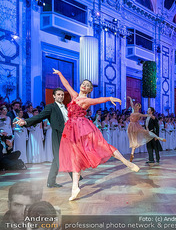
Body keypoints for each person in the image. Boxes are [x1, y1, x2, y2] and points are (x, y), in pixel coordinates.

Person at [53, 69, 139, 201]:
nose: (85, 85)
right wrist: (60, 73)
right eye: (84, 83)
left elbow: (99, 100)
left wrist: (109, 98)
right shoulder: (74, 95)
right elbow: (66, 85)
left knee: (103, 146)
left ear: (89, 90)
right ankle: (75, 187)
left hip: (83, 127)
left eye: (88, 85)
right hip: (72, 130)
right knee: (75, 157)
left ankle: (126, 162)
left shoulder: (86, 100)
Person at [14, 88, 73, 188]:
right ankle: (75, 179)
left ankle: (51, 181)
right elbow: (39, 117)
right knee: (63, 157)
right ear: (54, 96)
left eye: (62, 95)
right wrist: (26, 122)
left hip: (67, 135)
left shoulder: (66, 108)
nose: (61, 96)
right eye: (58, 94)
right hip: (57, 134)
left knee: (57, 158)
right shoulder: (51, 107)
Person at [127, 96, 166, 162]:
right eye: (136, 105)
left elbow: (156, 125)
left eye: (149, 110)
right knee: (146, 145)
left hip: (140, 128)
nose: (147, 110)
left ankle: (157, 157)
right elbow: (132, 104)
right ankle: (150, 159)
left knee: (155, 146)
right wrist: (130, 99)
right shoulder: (134, 110)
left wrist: (152, 116)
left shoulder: (140, 114)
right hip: (132, 127)